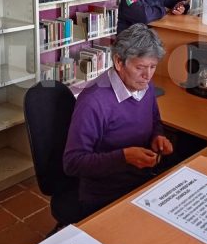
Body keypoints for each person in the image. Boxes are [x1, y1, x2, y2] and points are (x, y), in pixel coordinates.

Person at [63, 23, 174, 216]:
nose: (147, 75)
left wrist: (158, 137)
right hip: (106, 195)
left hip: (141, 182)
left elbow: (155, 121)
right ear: (119, 62)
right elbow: (72, 163)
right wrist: (124, 158)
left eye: (153, 67)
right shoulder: (93, 102)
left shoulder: (143, 85)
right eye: (140, 67)